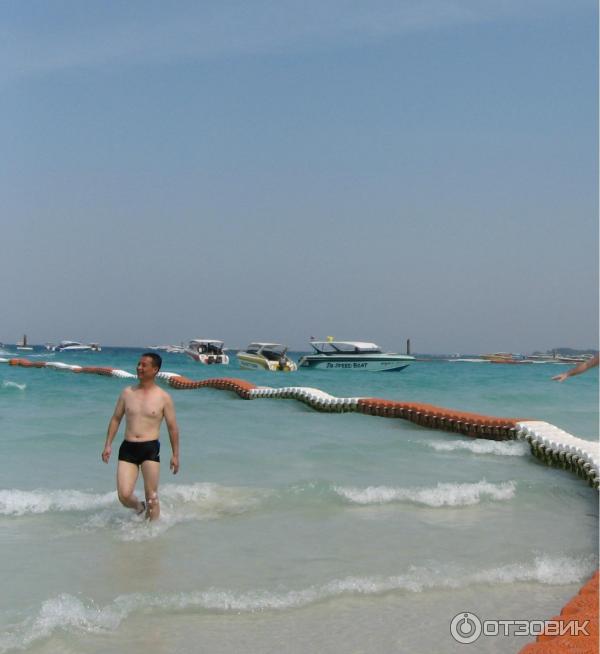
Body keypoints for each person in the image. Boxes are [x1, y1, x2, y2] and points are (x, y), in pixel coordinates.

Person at [101, 352, 180, 520]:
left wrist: (175, 455)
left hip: (149, 448)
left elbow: (172, 428)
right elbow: (116, 419)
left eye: (144, 365)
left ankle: (152, 535)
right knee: (123, 495)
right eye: (138, 364)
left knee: (152, 498)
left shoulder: (163, 397)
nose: (139, 368)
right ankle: (139, 508)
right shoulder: (127, 393)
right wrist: (108, 444)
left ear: (155, 369)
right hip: (128, 448)